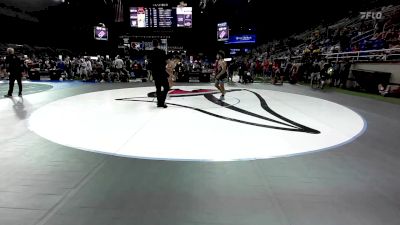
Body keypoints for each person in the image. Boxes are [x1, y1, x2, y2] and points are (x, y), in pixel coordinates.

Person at [148, 39, 169, 108]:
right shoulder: (162, 52)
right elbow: (166, 62)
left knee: (158, 88)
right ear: (158, 44)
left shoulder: (151, 53)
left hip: (155, 73)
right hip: (162, 72)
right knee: (166, 87)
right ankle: (162, 102)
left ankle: (159, 102)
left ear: (152, 44)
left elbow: (150, 64)